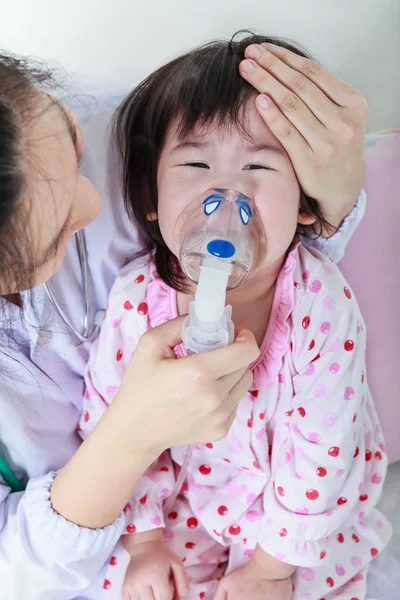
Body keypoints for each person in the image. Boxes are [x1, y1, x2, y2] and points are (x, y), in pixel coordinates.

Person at [0, 32, 368, 599]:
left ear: (303, 201)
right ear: (150, 196)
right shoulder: (136, 301)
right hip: (185, 513)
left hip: (297, 522)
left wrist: (273, 568)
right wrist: (146, 542)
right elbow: (105, 417)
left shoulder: (321, 307)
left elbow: (325, 450)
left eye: (260, 169)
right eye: (196, 165)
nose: (226, 196)